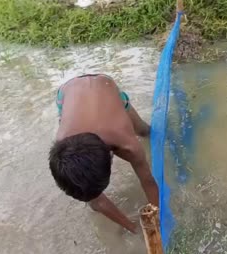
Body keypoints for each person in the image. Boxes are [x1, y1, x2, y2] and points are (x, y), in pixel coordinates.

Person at [48, 74, 159, 234]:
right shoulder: (62, 145)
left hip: (104, 86)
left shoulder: (128, 145)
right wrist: (132, 228)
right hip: (67, 93)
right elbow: (96, 202)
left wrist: (156, 218)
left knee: (144, 131)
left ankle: (150, 131)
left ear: (112, 155)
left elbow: (148, 181)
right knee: (88, 191)